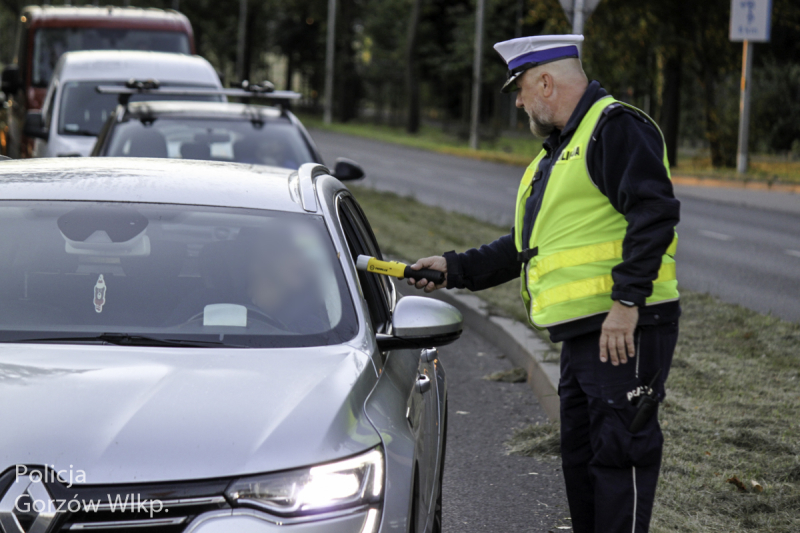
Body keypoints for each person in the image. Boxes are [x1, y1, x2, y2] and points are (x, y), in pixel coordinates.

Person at [407, 35, 680, 533]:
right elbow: (526, 246)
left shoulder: (614, 127)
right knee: (581, 462)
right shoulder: (556, 153)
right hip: (582, 335)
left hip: (623, 329)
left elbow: (654, 215)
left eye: (520, 88)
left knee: (619, 461)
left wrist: (626, 303)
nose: (518, 102)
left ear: (547, 83)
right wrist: (453, 268)